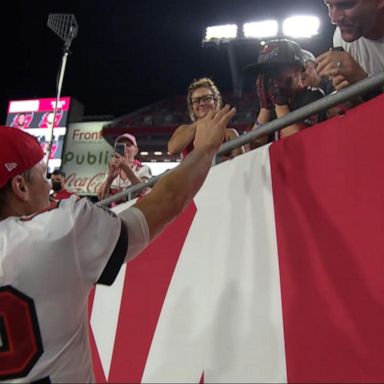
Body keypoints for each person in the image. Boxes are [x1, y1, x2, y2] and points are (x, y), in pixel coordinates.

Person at [0, 105, 236, 382]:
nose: (50, 186)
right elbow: (165, 202)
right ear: (21, 187)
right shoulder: (56, 229)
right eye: (41, 175)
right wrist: (205, 149)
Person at [244, 39, 326, 145]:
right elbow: (255, 145)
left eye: (276, 70)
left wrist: (281, 106)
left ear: (297, 71)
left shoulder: (313, 95)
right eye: (266, 73)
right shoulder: (271, 104)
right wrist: (265, 108)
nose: (271, 77)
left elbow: (300, 143)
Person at [168, 77, 245, 160]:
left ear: (215, 102)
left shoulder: (229, 134)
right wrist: (203, 121)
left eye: (207, 98)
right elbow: (172, 150)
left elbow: (239, 166)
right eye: (196, 100)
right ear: (192, 107)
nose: (202, 103)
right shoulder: (184, 129)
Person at [316, 0, 384, 91]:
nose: (334, 19)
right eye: (330, 6)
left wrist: (364, 82)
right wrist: (353, 94)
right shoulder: (340, 38)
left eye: (346, 4)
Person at [96, 133, 152, 202]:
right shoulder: (112, 170)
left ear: (136, 150)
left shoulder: (143, 169)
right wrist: (110, 178)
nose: (125, 148)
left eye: (128, 145)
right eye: (121, 146)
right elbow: (101, 198)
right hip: (115, 212)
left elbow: (145, 192)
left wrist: (126, 168)